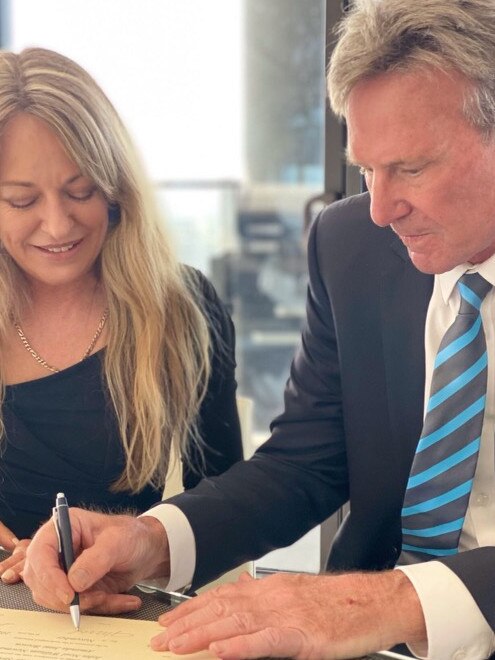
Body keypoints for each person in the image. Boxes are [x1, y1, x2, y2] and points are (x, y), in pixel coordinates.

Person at [23, 0, 495, 657]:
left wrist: (396, 603)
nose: (380, 209)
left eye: (411, 169)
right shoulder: (349, 244)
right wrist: (154, 541)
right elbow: (305, 463)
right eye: (365, 168)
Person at [0, 47, 242, 583]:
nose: (58, 226)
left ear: (115, 187)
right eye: (21, 201)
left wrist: (145, 549)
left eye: (80, 190)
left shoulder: (180, 307)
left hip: (121, 599)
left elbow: (229, 509)